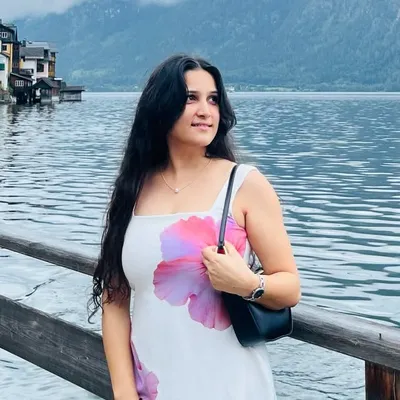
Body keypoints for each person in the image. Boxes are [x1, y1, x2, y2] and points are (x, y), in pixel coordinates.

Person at [89, 53, 301, 400]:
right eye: (191, 98)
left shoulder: (244, 184)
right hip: (153, 387)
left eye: (213, 99)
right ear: (161, 106)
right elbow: (115, 299)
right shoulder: (134, 188)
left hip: (233, 385)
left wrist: (248, 284)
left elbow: (290, 286)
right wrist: (125, 393)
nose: (206, 111)